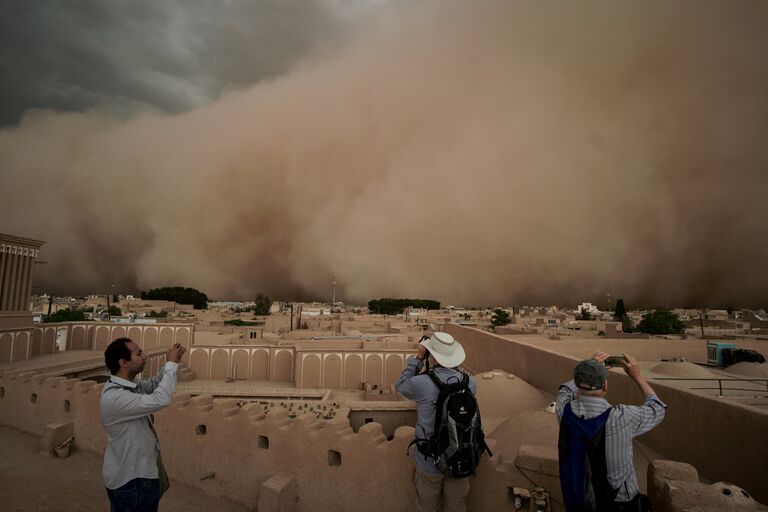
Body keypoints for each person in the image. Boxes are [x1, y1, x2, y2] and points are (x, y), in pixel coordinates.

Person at [556, 352, 666, 511]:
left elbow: (564, 391)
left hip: (577, 502)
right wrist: (637, 376)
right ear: (605, 386)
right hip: (618, 505)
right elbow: (658, 408)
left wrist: (587, 369)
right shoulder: (621, 417)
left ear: (578, 384)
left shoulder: (564, 412)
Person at [396, 332, 478, 512]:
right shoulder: (471, 382)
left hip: (430, 460)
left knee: (427, 507)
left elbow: (401, 385)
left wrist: (419, 357)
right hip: (460, 458)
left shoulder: (421, 383)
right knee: (457, 507)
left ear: (432, 356)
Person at [101, 337, 186, 512]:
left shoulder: (129, 385)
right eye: (139, 353)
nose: (145, 356)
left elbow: (153, 385)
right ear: (123, 362)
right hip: (132, 480)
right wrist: (171, 364)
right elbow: (160, 399)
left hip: (137, 475)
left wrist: (171, 364)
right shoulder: (115, 397)